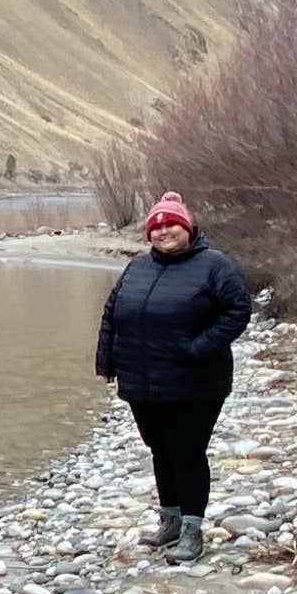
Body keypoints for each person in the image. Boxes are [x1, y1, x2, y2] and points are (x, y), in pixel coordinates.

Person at [95, 191, 253, 562]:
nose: (164, 231)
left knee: (187, 453)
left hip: (195, 383)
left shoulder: (215, 265)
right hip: (142, 381)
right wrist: (107, 363)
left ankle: (192, 531)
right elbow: (112, 314)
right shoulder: (137, 267)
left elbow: (238, 310)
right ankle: (171, 521)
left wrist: (197, 348)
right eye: (157, 226)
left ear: (188, 228)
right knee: (160, 450)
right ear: (149, 233)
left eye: (172, 225)